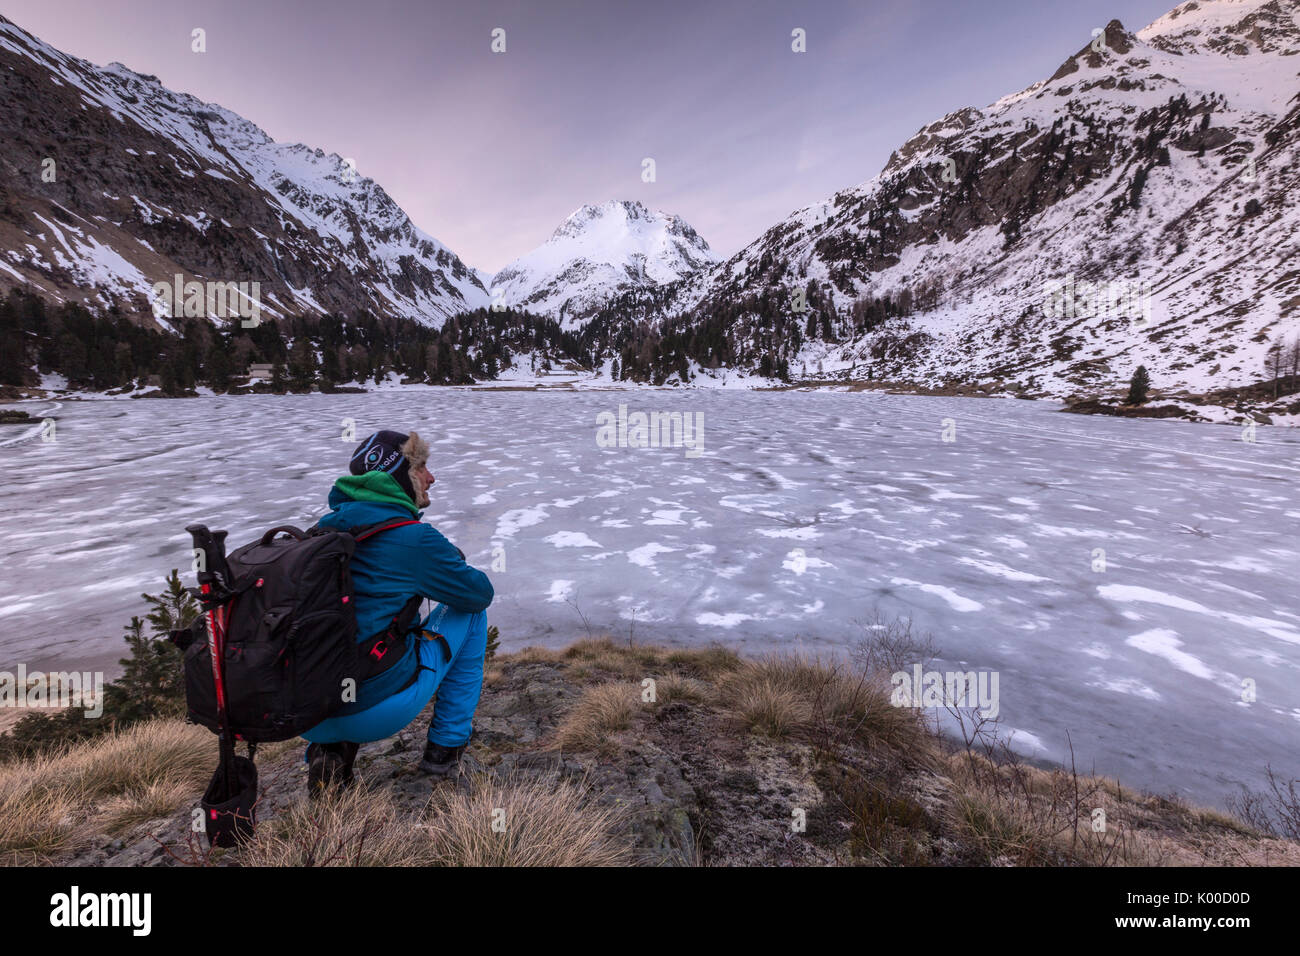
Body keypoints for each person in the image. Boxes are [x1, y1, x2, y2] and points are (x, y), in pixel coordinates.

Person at [301, 429, 494, 795]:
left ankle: (329, 754)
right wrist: (444, 559)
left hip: (307, 713)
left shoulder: (318, 534)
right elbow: (478, 594)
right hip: (374, 713)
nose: (431, 477)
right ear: (398, 477)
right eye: (421, 467)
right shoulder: (413, 538)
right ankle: (444, 754)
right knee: (471, 615)